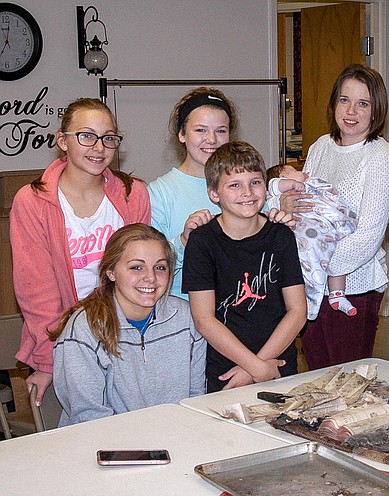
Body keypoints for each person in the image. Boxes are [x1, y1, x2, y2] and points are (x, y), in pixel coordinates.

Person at [11, 98, 151, 407]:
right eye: (86, 136)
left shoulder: (133, 193)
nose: (99, 147)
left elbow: (146, 273)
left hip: (128, 334)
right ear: (62, 140)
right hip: (68, 340)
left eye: (109, 138)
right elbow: (36, 292)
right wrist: (48, 361)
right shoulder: (32, 201)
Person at [273, 64, 389, 370]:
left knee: (347, 379)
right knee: (316, 373)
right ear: (334, 104)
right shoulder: (321, 147)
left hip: (353, 287)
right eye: (344, 100)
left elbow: (368, 236)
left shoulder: (381, 157)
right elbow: (306, 204)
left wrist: (319, 269)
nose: (351, 110)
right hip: (309, 282)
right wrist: (285, 204)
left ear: (376, 110)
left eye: (363, 103)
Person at [50, 224, 206, 426]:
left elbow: (195, 399)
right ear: (111, 272)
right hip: (107, 445)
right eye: (136, 267)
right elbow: (89, 419)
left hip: (178, 438)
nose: (150, 278)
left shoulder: (187, 318)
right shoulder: (85, 330)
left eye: (160, 267)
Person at [183, 141, 306, 392]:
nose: (247, 192)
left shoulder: (281, 236)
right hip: (226, 369)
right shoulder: (202, 241)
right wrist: (256, 367)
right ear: (214, 193)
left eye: (255, 182)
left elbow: (297, 311)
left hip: (278, 363)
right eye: (235, 185)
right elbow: (204, 320)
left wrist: (257, 368)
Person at [148, 88, 238, 299]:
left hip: (239, 313)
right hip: (183, 319)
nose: (211, 139)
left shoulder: (246, 188)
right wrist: (183, 240)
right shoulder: (159, 193)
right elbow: (148, 265)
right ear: (181, 134)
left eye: (221, 131)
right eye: (200, 130)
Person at [265, 164, 358, 319]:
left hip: (327, 227)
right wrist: (294, 184)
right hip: (308, 229)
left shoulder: (311, 183)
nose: (305, 172)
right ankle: (309, 300)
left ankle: (337, 293)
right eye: (295, 171)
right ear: (282, 177)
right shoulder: (279, 190)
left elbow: (332, 196)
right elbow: (272, 185)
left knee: (333, 256)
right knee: (311, 254)